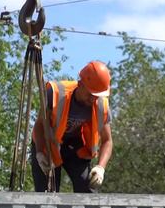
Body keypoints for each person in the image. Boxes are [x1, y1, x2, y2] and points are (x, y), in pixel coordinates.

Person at [30, 60, 113, 193]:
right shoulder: (55, 92)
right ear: (80, 84)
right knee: (47, 193)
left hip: (74, 145)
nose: (93, 99)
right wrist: (40, 152)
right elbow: (39, 126)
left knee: (87, 188)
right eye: (90, 94)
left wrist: (100, 168)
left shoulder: (101, 105)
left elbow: (107, 140)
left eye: (97, 96)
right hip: (48, 143)